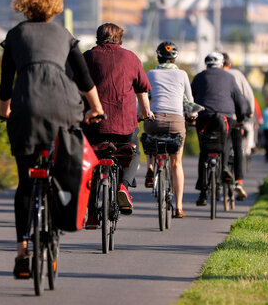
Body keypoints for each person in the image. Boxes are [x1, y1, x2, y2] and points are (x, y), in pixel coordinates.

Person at [0, 0, 105, 279]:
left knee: (24, 182)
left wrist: (4, 110)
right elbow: (84, 80)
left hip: (26, 108)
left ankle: (22, 252)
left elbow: (6, 83)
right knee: (61, 165)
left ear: (24, 5)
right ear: (55, 7)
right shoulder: (65, 35)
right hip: (63, 108)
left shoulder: (15, 35)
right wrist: (96, 109)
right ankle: (59, 214)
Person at [81, 23, 153, 225]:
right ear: (119, 38)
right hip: (124, 123)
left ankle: (93, 215)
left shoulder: (87, 57)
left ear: (98, 37)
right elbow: (142, 90)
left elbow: (75, 86)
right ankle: (123, 186)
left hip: (94, 124)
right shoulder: (130, 57)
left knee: (92, 164)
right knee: (134, 151)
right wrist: (146, 112)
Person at [191, 52, 250, 206]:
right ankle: (223, 168)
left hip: (203, 116)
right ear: (221, 63)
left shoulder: (198, 77)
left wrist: (190, 117)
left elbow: (190, 99)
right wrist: (241, 118)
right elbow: (240, 100)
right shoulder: (229, 78)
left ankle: (203, 193)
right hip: (225, 117)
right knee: (225, 144)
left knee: (204, 151)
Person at [144, 41, 193, 218]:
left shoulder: (150, 74)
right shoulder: (182, 75)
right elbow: (189, 101)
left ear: (158, 57)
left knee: (148, 133)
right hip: (176, 122)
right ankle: (179, 207)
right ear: (175, 58)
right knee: (176, 163)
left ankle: (150, 165)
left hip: (155, 120)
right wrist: (191, 115)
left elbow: (145, 97)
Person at [222, 53, 254, 198]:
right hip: (234, 118)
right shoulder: (237, 74)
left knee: (220, 146)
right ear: (229, 64)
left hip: (216, 118)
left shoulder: (210, 74)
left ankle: (216, 179)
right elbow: (248, 94)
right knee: (238, 148)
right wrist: (251, 112)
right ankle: (239, 181)